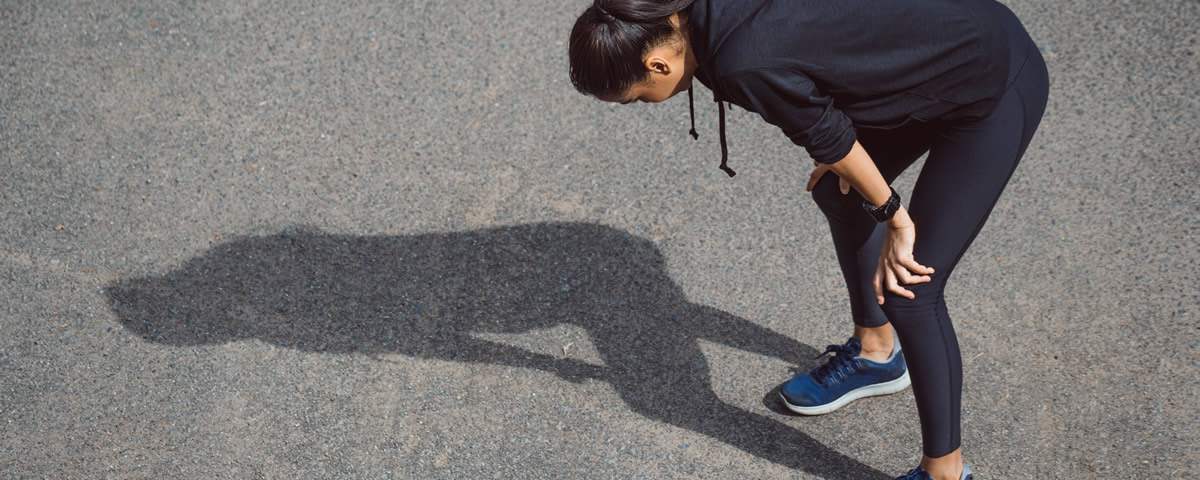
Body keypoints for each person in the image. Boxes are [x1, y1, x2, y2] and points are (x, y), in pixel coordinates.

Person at [567, 0, 1049, 478]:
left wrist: (895, 218)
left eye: (637, 98)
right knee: (839, 196)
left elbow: (820, 125)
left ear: (658, 63)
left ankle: (945, 472)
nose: (643, 106)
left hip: (992, 78)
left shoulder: (743, 62)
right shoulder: (687, 18)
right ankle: (877, 353)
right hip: (929, 60)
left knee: (911, 288)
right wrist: (843, 146)